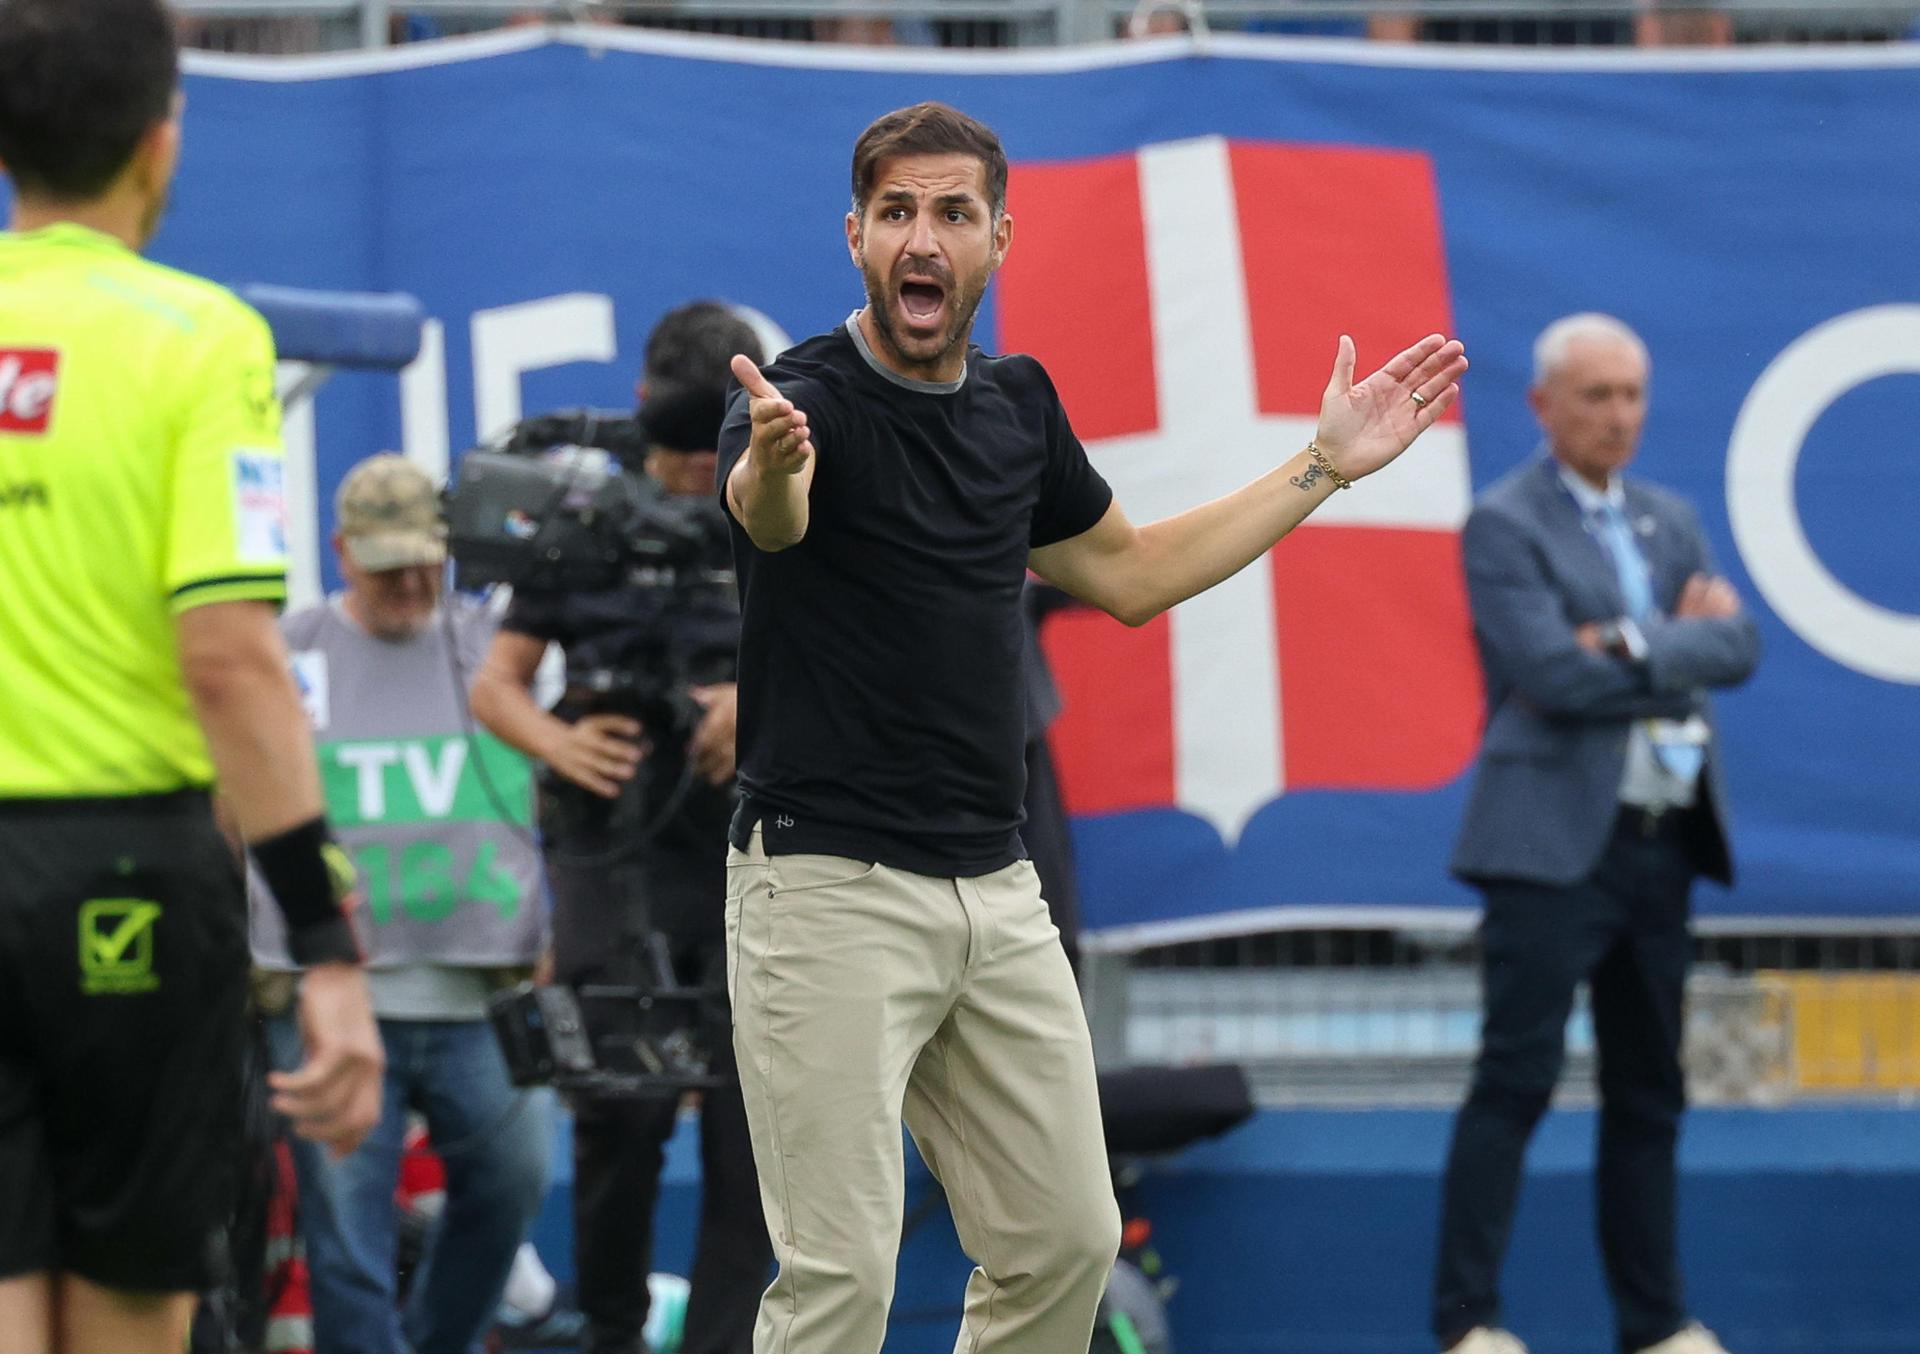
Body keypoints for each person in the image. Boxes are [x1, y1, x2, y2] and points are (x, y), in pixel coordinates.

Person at [717, 100, 1466, 1354]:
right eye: (898, 211)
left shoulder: (1018, 405)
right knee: (840, 1277)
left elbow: (1129, 572)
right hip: (824, 889)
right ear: (856, 236)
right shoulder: (798, 402)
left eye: (953, 212)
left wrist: (1323, 466)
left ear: (998, 239)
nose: (925, 235)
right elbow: (768, 512)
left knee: (1068, 1239)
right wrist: (778, 463)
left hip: (996, 896)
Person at [0, 3, 382, 1351]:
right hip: (126, 876)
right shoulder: (198, 336)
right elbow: (228, 657)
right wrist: (324, 948)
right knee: (124, 1314)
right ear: (162, 140)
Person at [1432, 314, 1759, 1354]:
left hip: (1661, 841)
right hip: (1546, 849)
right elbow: (1546, 673)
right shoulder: (1503, 522)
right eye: (1595, 395)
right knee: (1516, 1080)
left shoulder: (1671, 517)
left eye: (1632, 395)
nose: (1619, 416)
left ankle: (1654, 1323)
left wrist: (1620, 638)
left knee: (1650, 1088)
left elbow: (1739, 644)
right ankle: (1469, 1320)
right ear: (1542, 405)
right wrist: (1675, 642)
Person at [470, 301, 773, 1354]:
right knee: (620, 1112)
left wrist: (756, 701)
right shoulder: (582, 521)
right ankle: (611, 1330)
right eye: (680, 451)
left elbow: (864, 660)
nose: (696, 472)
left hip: (750, 855)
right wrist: (559, 747)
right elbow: (498, 685)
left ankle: (728, 1341)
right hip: (609, 845)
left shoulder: (779, 512)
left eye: (713, 450)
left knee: (759, 1129)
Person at [250, 455, 553, 1354]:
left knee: (513, 1191)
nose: (412, 580)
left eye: (426, 558)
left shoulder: (498, 650)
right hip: (336, 1002)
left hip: (485, 996)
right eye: (386, 564)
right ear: (341, 552)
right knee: (347, 1246)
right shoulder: (292, 654)